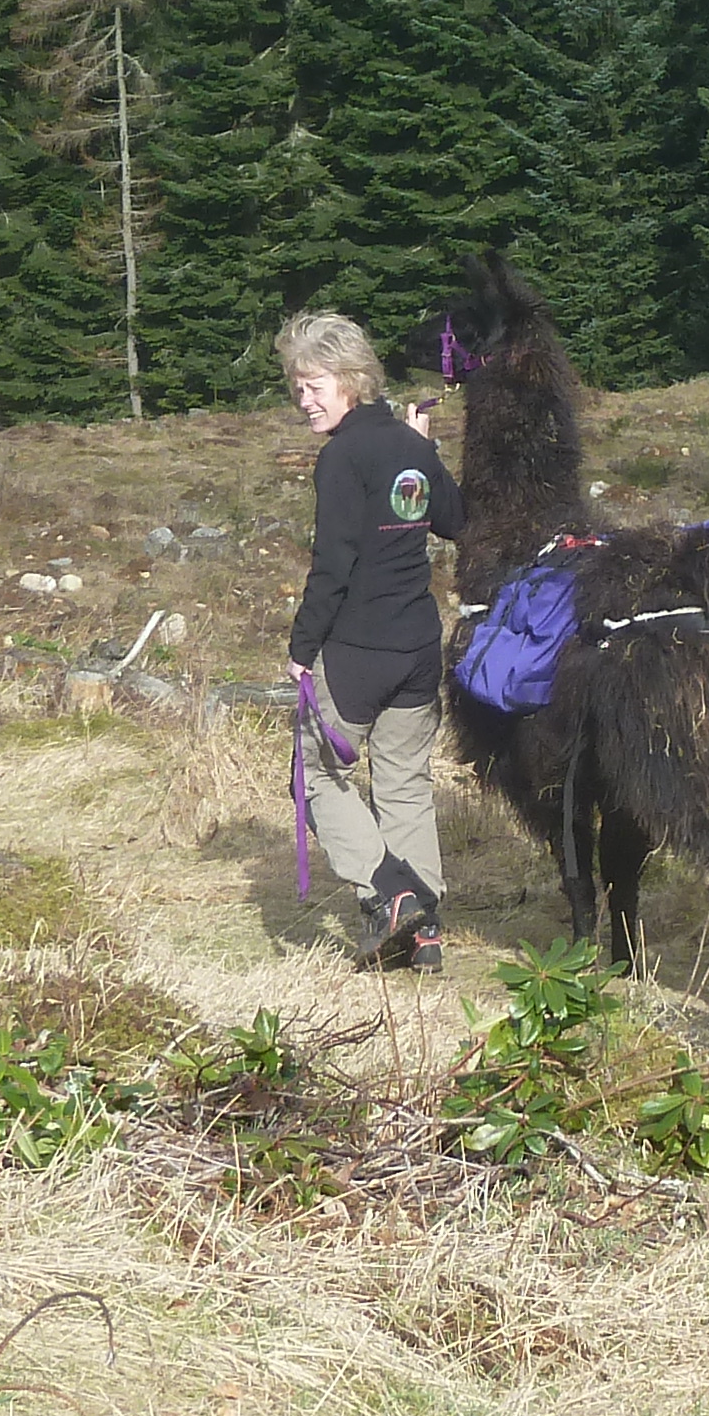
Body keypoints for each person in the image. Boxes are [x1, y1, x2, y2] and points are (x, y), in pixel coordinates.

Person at [280, 310, 464, 972]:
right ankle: (426, 931)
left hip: (359, 649)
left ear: (351, 379)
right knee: (406, 785)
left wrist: (302, 648)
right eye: (297, 387)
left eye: (314, 384)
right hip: (419, 647)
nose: (304, 399)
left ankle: (389, 895)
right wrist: (425, 452)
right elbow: (455, 519)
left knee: (316, 777)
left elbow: (334, 564)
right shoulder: (409, 445)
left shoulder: (342, 458)